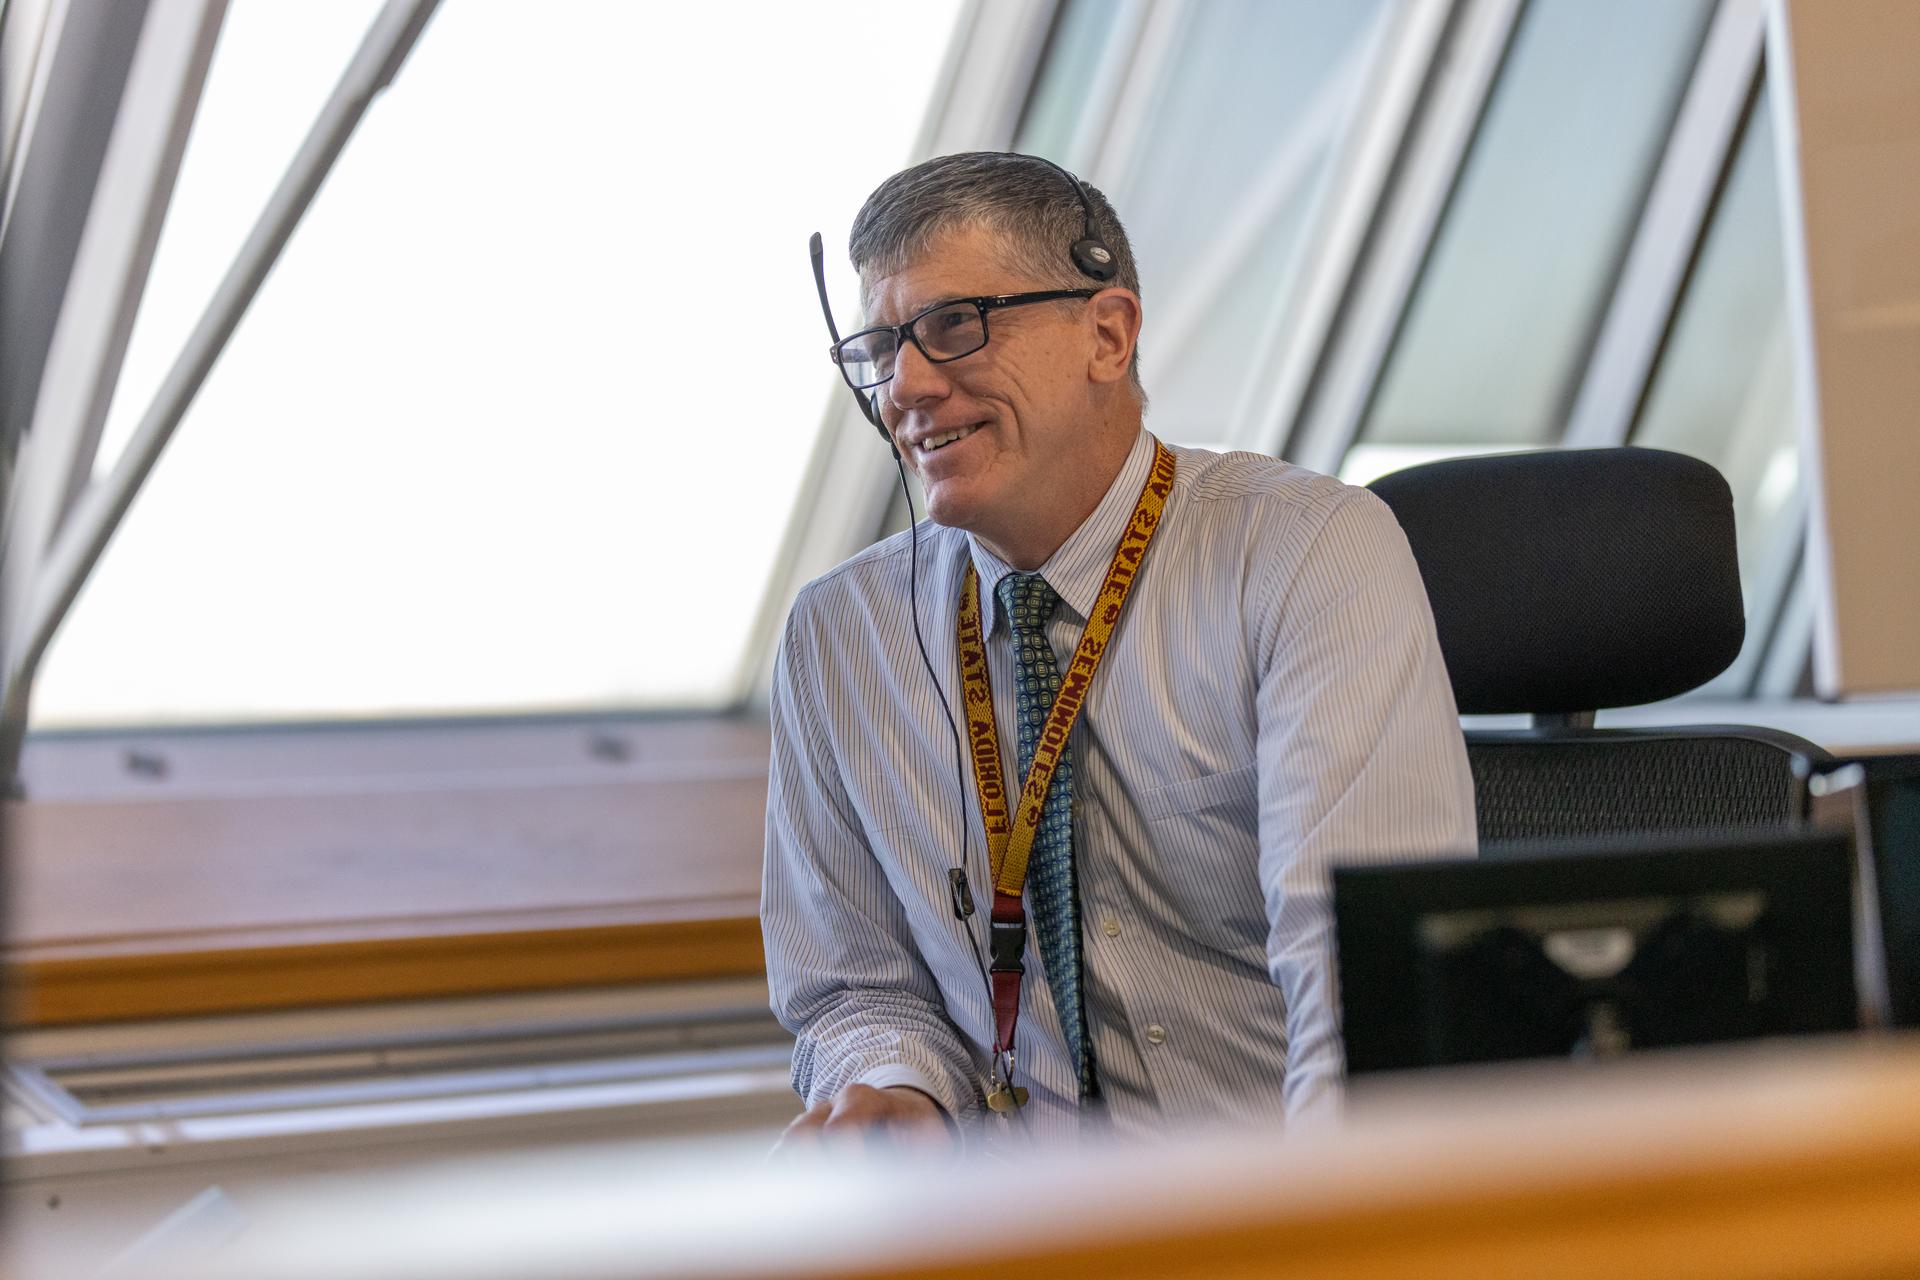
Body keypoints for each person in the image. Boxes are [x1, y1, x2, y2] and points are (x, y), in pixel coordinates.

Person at [762, 151, 1475, 1151]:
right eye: (880, 347)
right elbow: (853, 988)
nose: (906, 387)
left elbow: (1360, 979)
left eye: (954, 326)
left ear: (1108, 333)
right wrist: (898, 1085)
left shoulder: (1307, 553)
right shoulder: (840, 637)